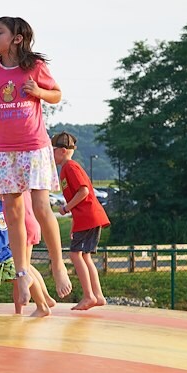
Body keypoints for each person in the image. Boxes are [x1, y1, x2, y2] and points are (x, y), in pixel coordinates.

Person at [0, 16, 72, 308]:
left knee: (39, 206)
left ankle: (58, 264)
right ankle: (23, 271)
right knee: (12, 212)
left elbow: (57, 94)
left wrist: (39, 92)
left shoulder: (34, 67)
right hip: (6, 150)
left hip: (34, 147)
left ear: (17, 38)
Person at [52, 131, 111, 310]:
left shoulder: (70, 167)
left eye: (52, 150)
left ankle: (88, 296)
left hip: (89, 216)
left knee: (75, 254)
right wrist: (73, 224)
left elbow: (83, 191)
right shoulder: (67, 169)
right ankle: (98, 296)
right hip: (87, 218)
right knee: (84, 256)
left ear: (62, 151)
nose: (51, 155)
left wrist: (66, 207)